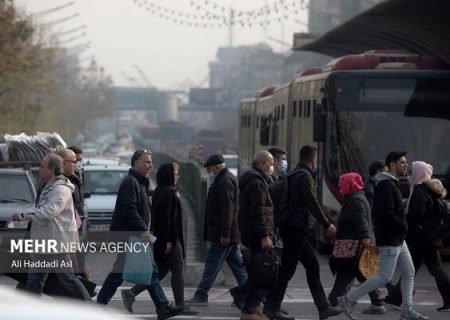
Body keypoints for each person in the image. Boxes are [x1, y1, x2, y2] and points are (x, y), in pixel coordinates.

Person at [339, 151, 429, 320]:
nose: (406, 165)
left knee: (408, 271)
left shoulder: (391, 183)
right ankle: (348, 299)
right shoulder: (387, 185)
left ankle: (407, 310)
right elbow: (386, 213)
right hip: (390, 238)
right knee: (384, 276)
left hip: (397, 238)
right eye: (402, 162)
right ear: (392, 165)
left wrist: (402, 226)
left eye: (405, 162)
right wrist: (403, 225)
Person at [96, 149, 181, 320]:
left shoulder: (140, 182)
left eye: (151, 162)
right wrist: (144, 230)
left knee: (123, 271)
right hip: (131, 235)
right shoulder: (130, 182)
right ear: (135, 163)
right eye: (147, 162)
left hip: (133, 234)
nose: (150, 165)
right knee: (149, 270)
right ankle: (162, 307)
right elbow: (130, 210)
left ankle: (100, 303)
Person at [265, 145, 341, 320]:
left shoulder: (293, 174)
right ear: (313, 159)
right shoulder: (305, 177)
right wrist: (327, 223)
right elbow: (312, 202)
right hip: (295, 228)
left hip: (293, 227)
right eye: (316, 160)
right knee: (286, 270)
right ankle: (272, 307)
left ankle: (323, 308)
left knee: (312, 266)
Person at [11, 153, 91, 300]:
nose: (39, 169)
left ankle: (91, 309)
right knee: (34, 280)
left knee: (67, 279)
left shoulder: (61, 189)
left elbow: (50, 211)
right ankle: (31, 312)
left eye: (42, 167)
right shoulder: (50, 186)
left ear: (52, 169)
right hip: (45, 241)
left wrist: (23, 215)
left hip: (57, 242)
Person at [121, 163, 198, 315]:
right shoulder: (170, 194)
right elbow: (169, 221)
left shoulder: (158, 192)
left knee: (159, 272)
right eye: (175, 173)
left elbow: (158, 220)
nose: (177, 176)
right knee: (177, 270)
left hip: (158, 239)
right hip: (170, 240)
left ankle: (130, 293)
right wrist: (170, 241)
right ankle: (181, 305)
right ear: (168, 175)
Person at [383, 162, 450, 312]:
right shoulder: (429, 188)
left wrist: (404, 216)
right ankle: (395, 299)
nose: (410, 174)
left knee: (432, 269)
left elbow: (417, 214)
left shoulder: (420, 190)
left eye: (413, 171)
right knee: (411, 269)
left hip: (422, 238)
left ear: (419, 173)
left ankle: (395, 299)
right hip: (427, 238)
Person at [187, 154, 248, 310]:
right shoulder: (228, 178)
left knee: (212, 265)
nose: (210, 172)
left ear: (217, 166)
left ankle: (201, 295)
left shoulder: (225, 181)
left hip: (224, 234)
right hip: (230, 233)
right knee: (238, 267)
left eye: (210, 169)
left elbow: (227, 209)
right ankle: (249, 294)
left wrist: (225, 233)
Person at [328, 172, 386, 315]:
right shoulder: (355, 197)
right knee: (361, 273)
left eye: (342, 185)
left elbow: (361, 220)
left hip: (355, 244)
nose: (340, 188)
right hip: (356, 243)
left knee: (345, 272)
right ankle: (377, 302)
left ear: (350, 185)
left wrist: (365, 236)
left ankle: (334, 300)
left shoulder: (355, 200)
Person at [238, 150, 275, 320]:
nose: (272, 166)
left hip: (252, 234)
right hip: (257, 235)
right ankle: (249, 310)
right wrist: (264, 235)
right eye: (270, 163)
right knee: (262, 274)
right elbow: (258, 212)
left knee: (257, 274)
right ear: (261, 164)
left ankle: (251, 308)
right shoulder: (257, 183)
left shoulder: (253, 180)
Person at [56, 148, 90, 279]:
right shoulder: (61, 182)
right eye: (76, 161)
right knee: (73, 271)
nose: (78, 164)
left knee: (78, 268)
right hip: (67, 232)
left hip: (77, 229)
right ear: (63, 163)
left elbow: (78, 205)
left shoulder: (76, 178)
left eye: (80, 161)